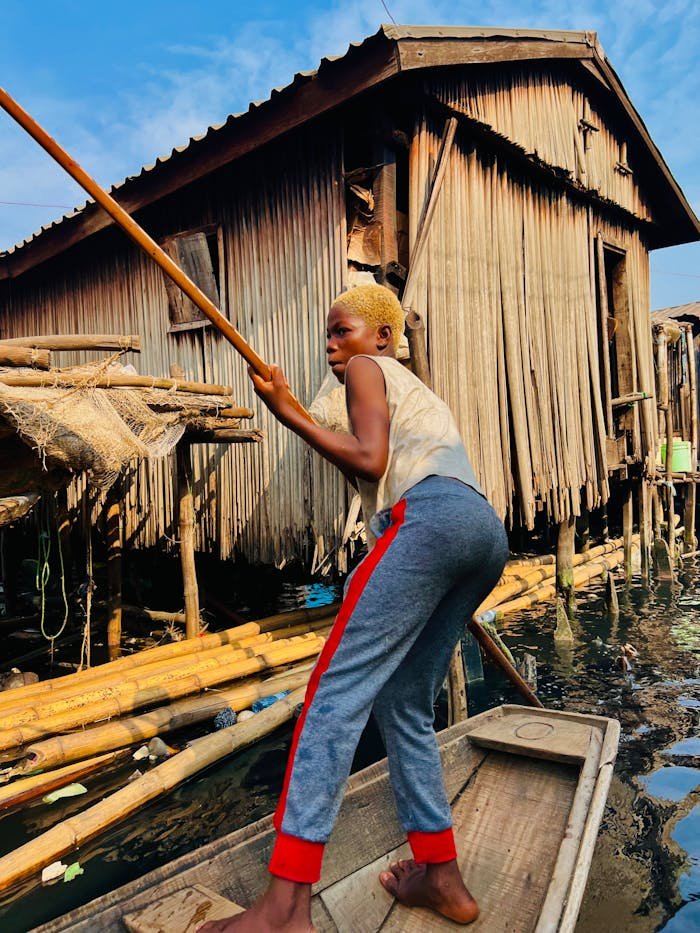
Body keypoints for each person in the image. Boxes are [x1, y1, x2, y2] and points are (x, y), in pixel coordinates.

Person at [199, 284, 509, 932]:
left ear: (383, 337)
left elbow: (370, 458)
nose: (333, 347)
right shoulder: (414, 399)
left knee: (333, 692)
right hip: (482, 530)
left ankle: (285, 906)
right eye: (330, 337)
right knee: (402, 699)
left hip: (428, 521)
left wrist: (287, 411)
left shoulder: (369, 372)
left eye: (343, 331)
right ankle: (443, 876)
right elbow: (375, 467)